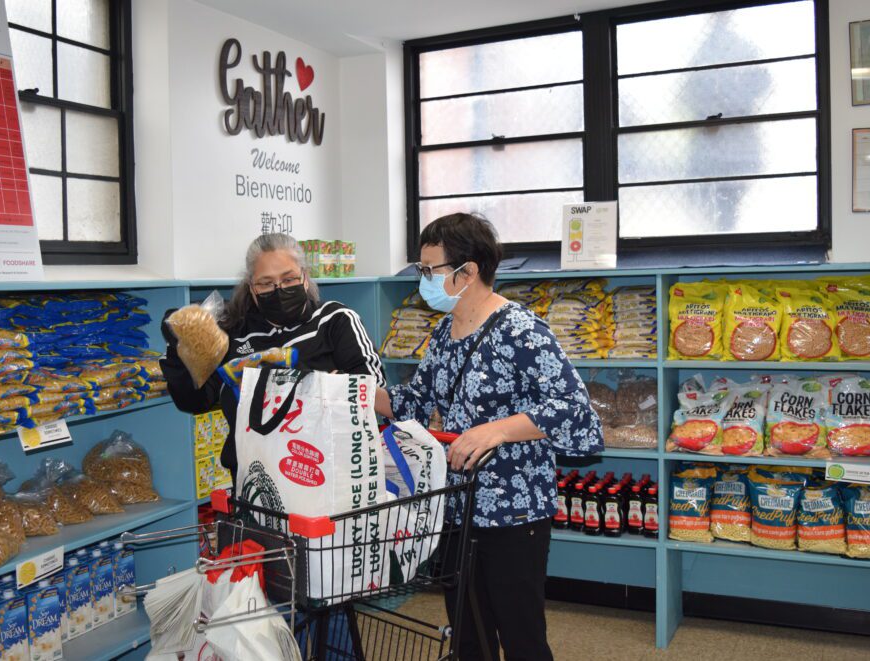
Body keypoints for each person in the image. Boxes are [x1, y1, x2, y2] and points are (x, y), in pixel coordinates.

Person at [375, 213, 603, 661]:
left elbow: (576, 412)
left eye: (430, 269)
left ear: (468, 271)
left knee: (521, 638)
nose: (423, 279)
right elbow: (415, 401)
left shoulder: (521, 330)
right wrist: (356, 394)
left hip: (515, 516)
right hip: (459, 506)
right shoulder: (443, 332)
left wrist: (497, 431)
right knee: (468, 635)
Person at [160, 233, 385, 484]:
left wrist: (298, 375)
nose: (279, 290)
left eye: (288, 279)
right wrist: (180, 351)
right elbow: (195, 401)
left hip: (329, 480)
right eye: (266, 283)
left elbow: (373, 389)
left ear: (305, 278)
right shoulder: (232, 334)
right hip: (254, 485)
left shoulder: (336, 320)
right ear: (252, 290)